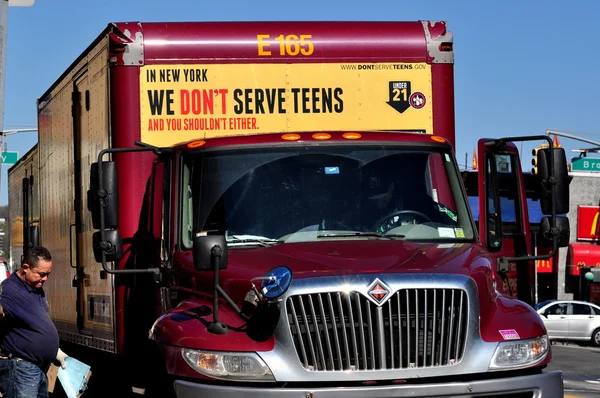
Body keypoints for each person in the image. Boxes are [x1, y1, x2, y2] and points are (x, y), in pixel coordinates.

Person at [0, 246, 69, 398]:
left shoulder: (36, 288)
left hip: (38, 369)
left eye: (48, 274)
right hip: (21, 369)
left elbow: (36, 322)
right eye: (41, 274)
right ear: (26, 268)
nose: (45, 279)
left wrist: (55, 351)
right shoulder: (9, 291)